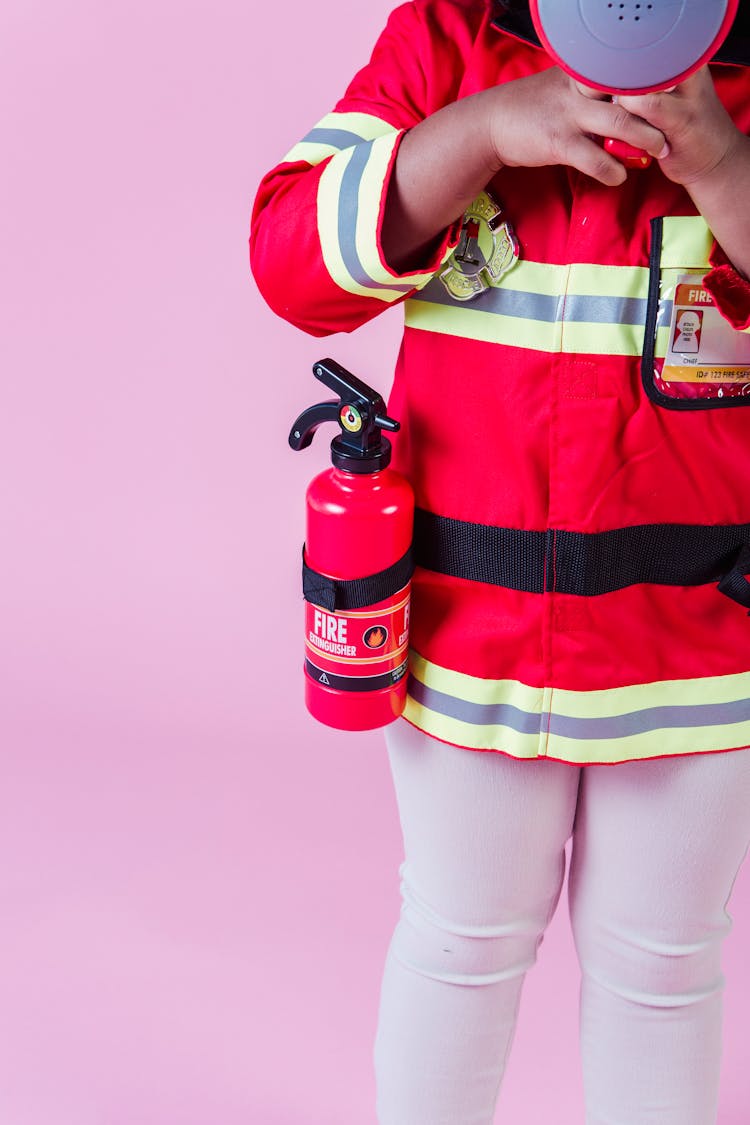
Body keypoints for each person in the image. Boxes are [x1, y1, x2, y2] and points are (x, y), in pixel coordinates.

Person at [250, 1, 750, 1121]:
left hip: (702, 644)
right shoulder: (445, 43)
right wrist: (473, 132)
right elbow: (292, 263)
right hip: (467, 631)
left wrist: (718, 158)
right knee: (461, 940)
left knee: (664, 966)